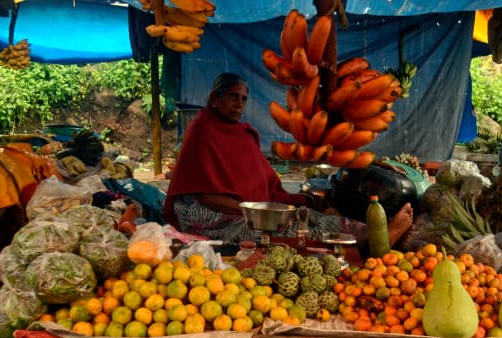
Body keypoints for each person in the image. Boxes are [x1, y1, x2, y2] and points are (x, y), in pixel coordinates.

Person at [163, 72, 413, 246]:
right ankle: (371, 241)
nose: (239, 104)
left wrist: (285, 204)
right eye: (232, 96)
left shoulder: (244, 133)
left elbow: (263, 181)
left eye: (243, 99)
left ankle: (375, 233)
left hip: (249, 207)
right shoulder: (201, 130)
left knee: (305, 214)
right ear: (214, 99)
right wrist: (254, 210)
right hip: (207, 214)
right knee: (278, 230)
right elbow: (204, 193)